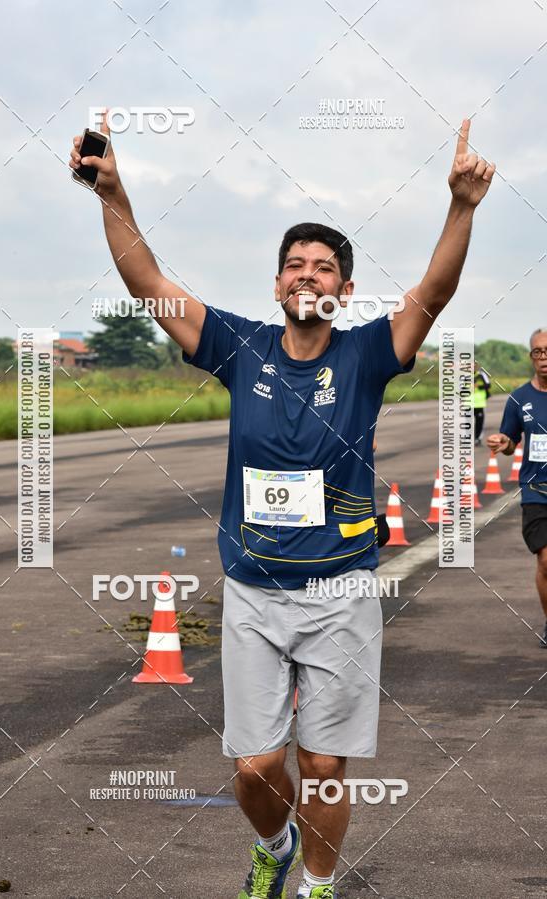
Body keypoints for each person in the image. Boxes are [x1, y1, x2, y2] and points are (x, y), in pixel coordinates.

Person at [70, 118, 494, 899]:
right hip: (255, 591)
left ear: (342, 288)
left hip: (341, 592)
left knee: (326, 765)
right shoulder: (241, 346)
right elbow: (148, 282)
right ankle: (275, 842)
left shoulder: (366, 354)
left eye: (324, 267)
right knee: (257, 766)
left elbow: (432, 293)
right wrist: (114, 193)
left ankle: (317, 886)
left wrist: (462, 206)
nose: (308, 275)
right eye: (294, 265)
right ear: (276, 286)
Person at [487, 327, 547, 649]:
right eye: (538, 352)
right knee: (546, 560)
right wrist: (503, 442)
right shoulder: (519, 398)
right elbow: (510, 442)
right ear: (531, 357)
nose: (544, 358)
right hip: (536, 489)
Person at [473, 360, 491, 445]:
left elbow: (488, 385)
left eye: (474, 365)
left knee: (479, 423)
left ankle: (478, 439)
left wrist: (478, 386)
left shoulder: (481, 375)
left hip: (479, 403)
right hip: (467, 404)